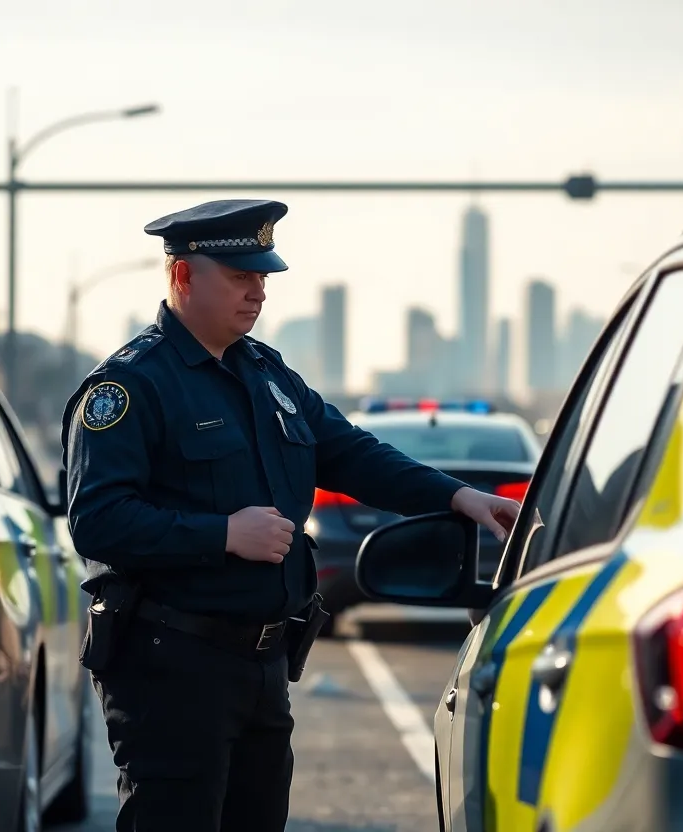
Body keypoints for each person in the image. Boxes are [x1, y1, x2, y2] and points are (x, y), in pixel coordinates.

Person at [60, 198, 521, 832]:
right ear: (182, 276)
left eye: (263, 280)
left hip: (262, 663)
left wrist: (458, 496)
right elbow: (98, 519)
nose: (257, 295)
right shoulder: (130, 387)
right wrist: (223, 535)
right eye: (240, 278)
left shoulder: (266, 373)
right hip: (171, 666)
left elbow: (354, 453)